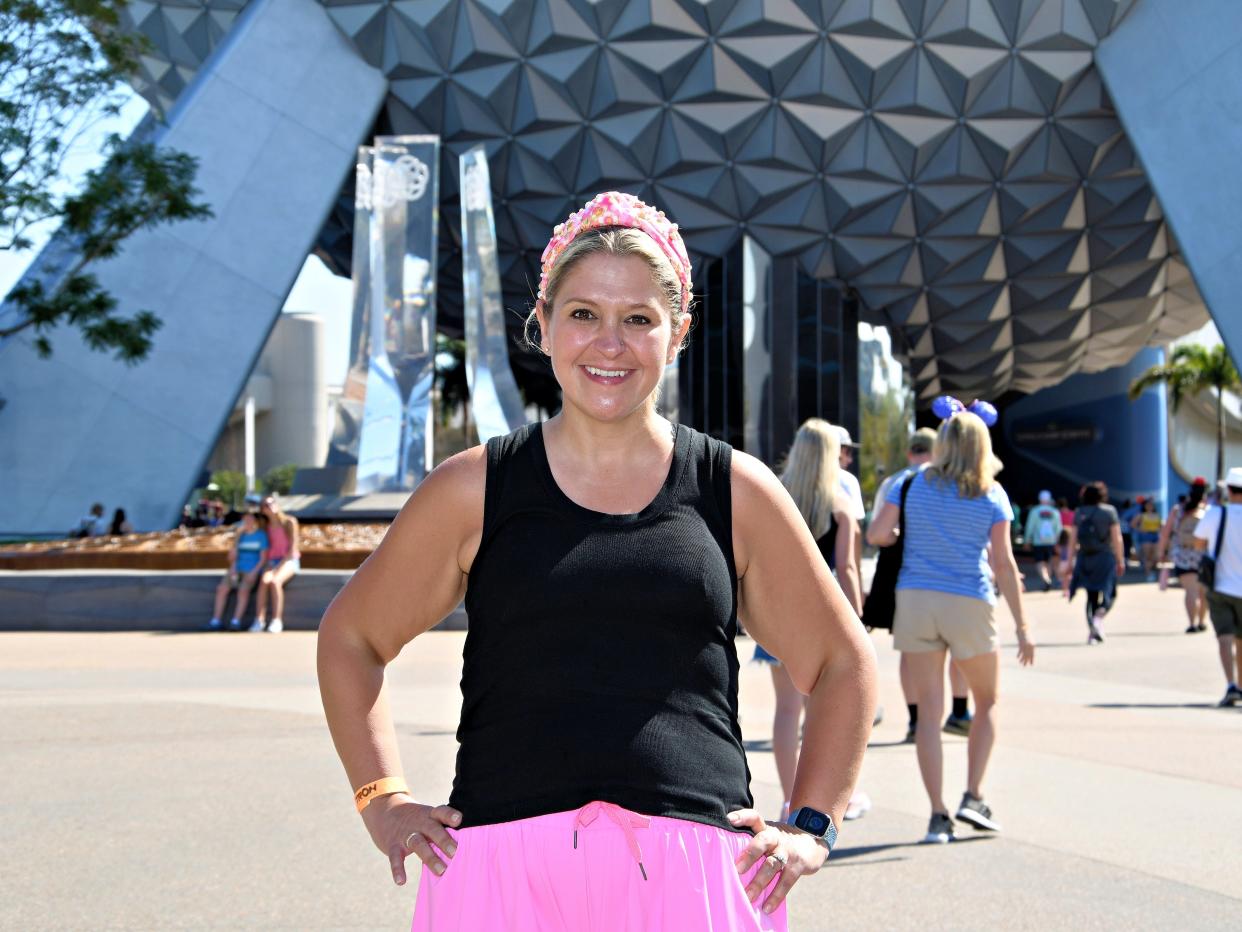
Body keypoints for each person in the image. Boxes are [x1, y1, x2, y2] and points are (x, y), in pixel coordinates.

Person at [317, 192, 877, 929]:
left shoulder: (733, 489)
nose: (608, 344)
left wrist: (812, 827)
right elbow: (350, 639)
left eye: (637, 319)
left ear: (676, 333)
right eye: (583, 314)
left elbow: (844, 663)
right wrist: (381, 800)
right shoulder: (473, 488)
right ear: (543, 324)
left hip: (693, 879)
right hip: (501, 876)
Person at [867, 403, 1034, 845]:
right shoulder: (992, 494)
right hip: (969, 601)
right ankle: (973, 795)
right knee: (987, 701)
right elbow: (1003, 562)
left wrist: (912, 534)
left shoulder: (911, 483)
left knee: (928, 715)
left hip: (916, 599)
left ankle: (937, 815)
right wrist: (1023, 626)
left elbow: (878, 535)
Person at [752, 419, 863, 824]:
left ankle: (787, 800)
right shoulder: (841, 504)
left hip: (776, 611)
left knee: (786, 711)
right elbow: (847, 568)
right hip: (823, 616)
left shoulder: (775, 493)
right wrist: (857, 622)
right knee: (828, 711)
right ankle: (821, 803)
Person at [873, 428, 973, 742]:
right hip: (956, 578)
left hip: (909, 580)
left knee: (911, 652)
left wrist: (903, 536)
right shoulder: (956, 479)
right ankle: (959, 710)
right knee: (960, 647)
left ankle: (916, 719)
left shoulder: (896, 482)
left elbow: (879, 533)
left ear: (909, 453)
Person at [1193, 467, 1242, 707]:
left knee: (1225, 636)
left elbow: (1199, 543)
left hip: (1220, 586)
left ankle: (1231, 684)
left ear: (1229, 490)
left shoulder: (1215, 514)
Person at [1065, 482, 1125, 645]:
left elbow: (1072, 540)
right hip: (1105, 557)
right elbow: (1117, 538)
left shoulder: (1079, 512)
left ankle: (1093, 630)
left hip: (1085, 558)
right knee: (1110, 593)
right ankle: (1099, 617)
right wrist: (1120, 559)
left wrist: (1069, 562)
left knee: (1091, 596)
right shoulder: (1109, 511)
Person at [1160, 477, 1209, 634]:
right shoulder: (1208, 510)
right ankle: (1202, 621)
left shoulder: (1178, 510)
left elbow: (1166, 533)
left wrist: (1161, 552)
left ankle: (1191, 623)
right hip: (1203, 555)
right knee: (1203, 592)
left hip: (1182, 554)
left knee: (1190, 591)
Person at [207, 510, 269, 631]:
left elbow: (263, 558)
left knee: (243, 591)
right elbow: (232, 557)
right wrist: (233, 567)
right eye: (245, 520)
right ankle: (216, 620)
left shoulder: (261, 535)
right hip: (237, 568)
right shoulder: (240, 536)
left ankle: (236, 620)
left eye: (250, 519)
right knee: (222, 588)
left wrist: (254, 572)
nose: (247, 522)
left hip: (251, 569)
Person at [252, 495, 301, 633]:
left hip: (289, 560)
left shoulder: (289, 522)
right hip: (272, 561)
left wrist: (278, 568)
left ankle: (276, 620)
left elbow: (293, 548)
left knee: (275, 581)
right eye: (266, 505)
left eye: (272, 503)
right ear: (262, 510)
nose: (270, 506)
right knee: (264, 581)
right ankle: (259, 620)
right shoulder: (264, 526)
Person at [1024, 491, 1062, 591]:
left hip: (1038, 541)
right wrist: (1058, 541)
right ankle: (1048, 579)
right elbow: (1058, 528)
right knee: (1049, 561)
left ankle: (1046, 579)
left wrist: (1027, 540)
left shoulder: (1035, 511)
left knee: (1040, 562)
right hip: (1051, 541)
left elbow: (1030, 526)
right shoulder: (1054, 512)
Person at [1133, 498, 1163, 579]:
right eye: (1148, 505)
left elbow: (1160, 526)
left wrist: (1160, 531)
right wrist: (1140, 530)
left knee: (1156, 556)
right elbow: (1133, 524)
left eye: (1151, 505)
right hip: (1146, 536)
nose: (1150, 506)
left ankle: (1152, 570)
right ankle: (1148, 573)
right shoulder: (1141, 515)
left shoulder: (1157, 515)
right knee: (1147, 556)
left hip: (1155, 535)